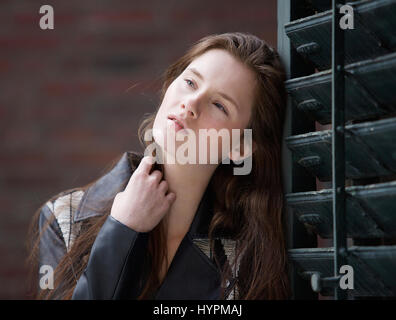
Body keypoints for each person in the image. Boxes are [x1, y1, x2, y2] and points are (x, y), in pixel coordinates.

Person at [26, 32, 291, 300]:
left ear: (240, 147)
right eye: (189, 82)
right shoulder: (64, 218)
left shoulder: (245, 259)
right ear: (169, 86)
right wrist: (123, 229)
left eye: (220, 105)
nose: (191, 104)